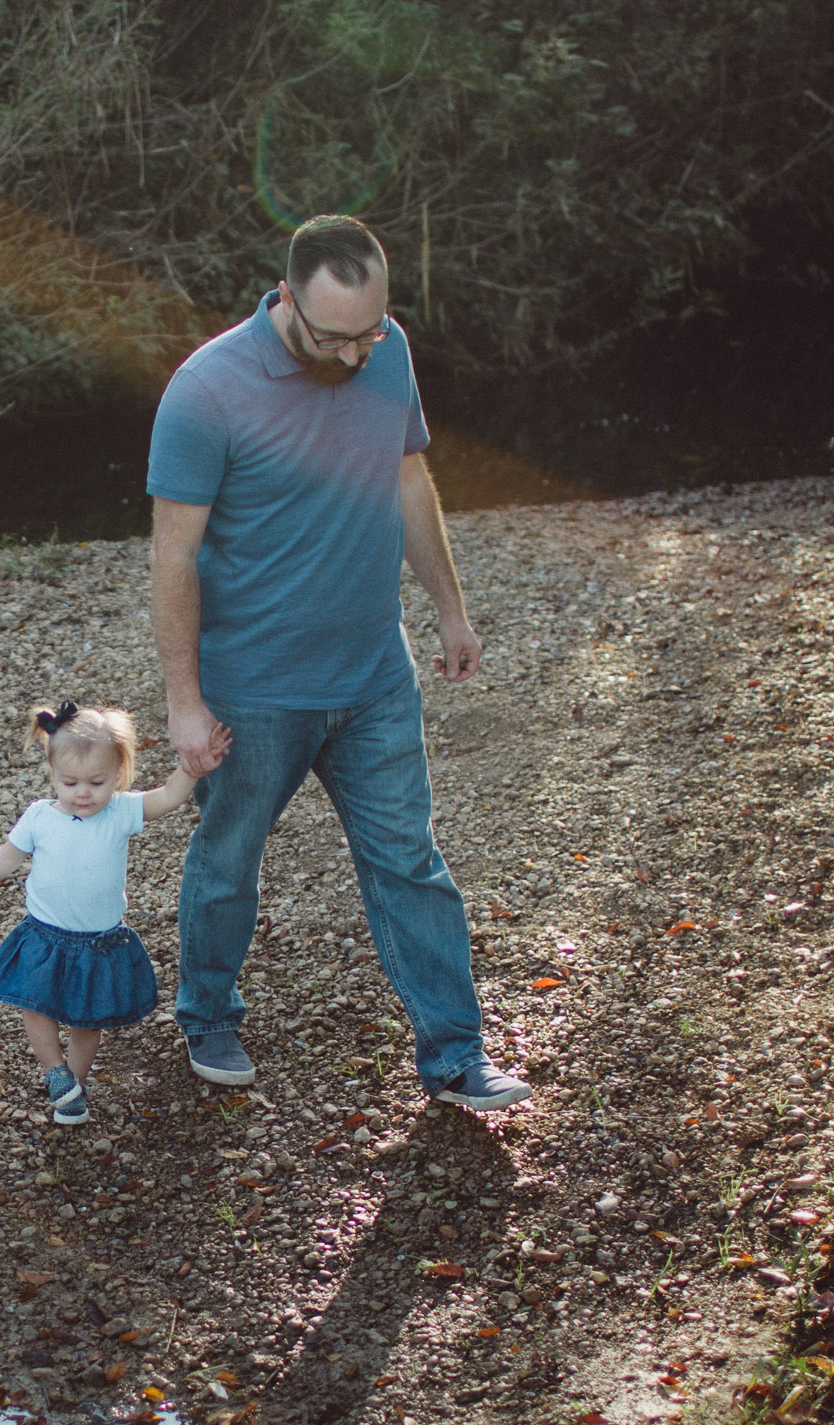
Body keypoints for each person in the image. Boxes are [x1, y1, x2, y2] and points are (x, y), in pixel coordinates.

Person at [146, 212, 529, 1111]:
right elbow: (172, 557)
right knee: (229, 857)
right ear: (285, 300)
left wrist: (449, 607)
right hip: (255, 690)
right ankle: (207, 1011)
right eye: (334, 337)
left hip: (373, 677)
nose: (356, 355)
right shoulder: (206, 391)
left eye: (369, 332)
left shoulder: (385, 350)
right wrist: (184, 702)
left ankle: (455, 1054)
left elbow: (407, 477)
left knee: (409, 862)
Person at [0, 701, 222, 1124]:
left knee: (89, 1019)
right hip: (45, 935)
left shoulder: (122, 811)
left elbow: (170, 796)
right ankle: (55, 1071)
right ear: (53, 776)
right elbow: (6, 858)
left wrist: (194, 768)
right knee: (38, 1006)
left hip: (98, 942)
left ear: (119, 775)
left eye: (96, 782)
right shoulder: (39, 817)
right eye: (68, 782)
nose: (81, 793)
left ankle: (75, 1089)